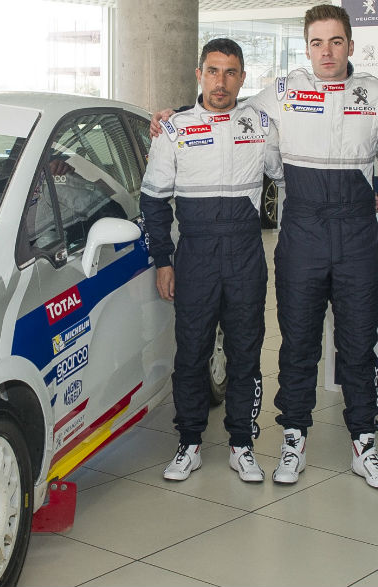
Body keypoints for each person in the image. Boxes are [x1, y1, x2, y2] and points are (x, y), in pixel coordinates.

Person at [154, 5, 378, 488]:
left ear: (351, 45)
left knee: (358, 345)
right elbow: (228, 109)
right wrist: (174, 114)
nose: (326, 52)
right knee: (297, 345)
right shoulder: (286, 92)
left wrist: (362, 189)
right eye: (316, 43)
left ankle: (363, 444)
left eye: (336, 42)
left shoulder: (374, 94)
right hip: (303, 236)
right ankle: (294, 439)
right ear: (306, 46)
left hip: (356, 237)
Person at [140, 38, 283, 483]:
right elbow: (154, 199)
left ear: (242, 78)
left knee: (245, 351)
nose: (221, 82)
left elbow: (285, 176)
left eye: (231, 72)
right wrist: (164, 260)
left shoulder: (261, 123)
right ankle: (189, 443)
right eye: (213, 71)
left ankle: (242, 443)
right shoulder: (175, 127)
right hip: (195, 253)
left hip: (245, 251)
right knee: (193, 352)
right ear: (199, 74)